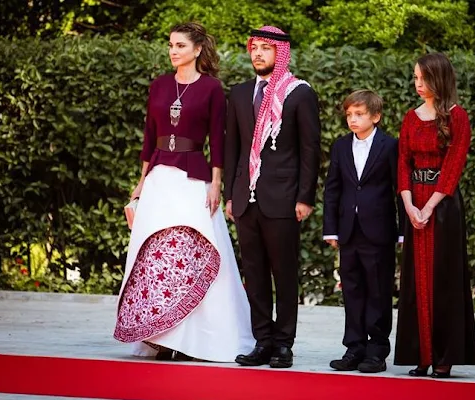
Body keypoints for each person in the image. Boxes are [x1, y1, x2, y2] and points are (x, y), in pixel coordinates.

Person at [113, 22, 254, 362]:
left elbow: (218, 140)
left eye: (179, 45)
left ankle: (194, 339)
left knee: (190, 253)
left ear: (197, 50)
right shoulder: (158, 86)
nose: (173, 51)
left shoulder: (212, 89)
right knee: (155, 257)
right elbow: (149, 137)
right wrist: (141, 182)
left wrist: (217, 184)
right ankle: (159, 336)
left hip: (194, 180)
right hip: (159, 179)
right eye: (170, 45)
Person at [224, 26, 321, 368]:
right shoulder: (238, 94)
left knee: (284, 273)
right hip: (245, 198)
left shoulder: (299, 93)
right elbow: (232, 149)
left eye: (266, 48)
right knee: (254, 273)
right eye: (255, 48)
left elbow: (310, 150)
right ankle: (262, 341)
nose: (259, 54)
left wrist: (305, 197)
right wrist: (230, 195)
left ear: (280, 53)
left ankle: (283, 344)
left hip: (283, 199)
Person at [394, 52, 475, 378]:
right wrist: (408, 204)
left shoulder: (457, 117)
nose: (418, 84)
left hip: (443, 206)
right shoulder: (410, 118)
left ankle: (444, 355)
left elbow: (453, 166)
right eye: (415, 78)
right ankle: (422, 354)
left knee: (443, 279)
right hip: (413, 201)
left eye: (423, 78)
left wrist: (429, 206)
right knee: (416, 280)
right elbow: (403, 163)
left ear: (439, 79)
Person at [323, 90, 403, 373]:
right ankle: (354, 348)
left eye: (359, 114)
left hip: (379, 231)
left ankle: (377, 350)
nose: (353, 120)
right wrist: (330, 228)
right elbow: (333, 188)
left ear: (376, 116)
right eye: (349, 115)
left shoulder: (390, 146)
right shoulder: (341, 146)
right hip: (348, 231)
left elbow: (399, 190)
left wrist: (402, 231)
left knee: (378, 291)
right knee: (352, 290)